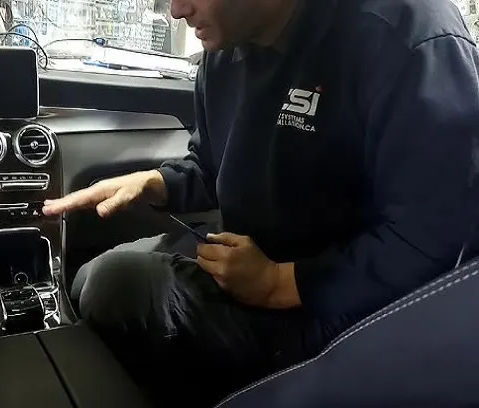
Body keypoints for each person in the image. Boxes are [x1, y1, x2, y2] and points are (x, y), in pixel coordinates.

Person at [43, 0, 479, 406]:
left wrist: (281, 282)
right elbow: (214, 166)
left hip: (353, 317)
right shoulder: (225, 48)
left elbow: (434, 240)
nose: (176, 11)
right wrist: (155, 181)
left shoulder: (407, 38)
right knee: (89, 282)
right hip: (254, 267)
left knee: (115, 286)